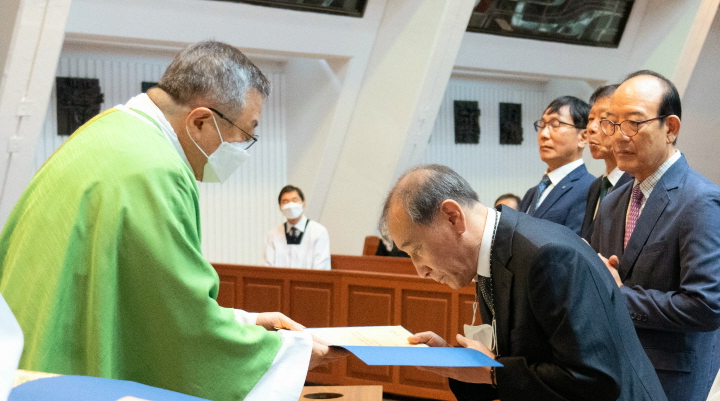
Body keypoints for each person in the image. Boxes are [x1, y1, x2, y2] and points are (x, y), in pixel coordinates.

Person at [0, 41, 342, 401]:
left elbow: (143, 300)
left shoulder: (101, 134)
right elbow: (181, 322)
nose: (241, 148)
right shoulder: (156, 171)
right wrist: (289, 353)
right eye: (244, 135)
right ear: (200, 122)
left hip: (31, 367)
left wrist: (248, 322)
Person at [379, 164, 666, 401]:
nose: (420, 270)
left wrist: (492, 372)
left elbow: (595, 379)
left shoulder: (548, 256)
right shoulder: (495, 252)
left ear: (453, 217)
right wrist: (455, 362)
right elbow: (526, 357)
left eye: (417, 250)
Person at [591, 70, 720, 401]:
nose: (619, 136)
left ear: (670, 128)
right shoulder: (613, 202)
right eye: (611, 123)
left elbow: (706, 306)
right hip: (614, 374)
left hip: (672, 381)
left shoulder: (700, 200)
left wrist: (619, 296)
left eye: (633, 123)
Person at [518, 96, 595, 234]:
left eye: (555, 125)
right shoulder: (532, 193)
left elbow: (573, 244)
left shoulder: (590, 189)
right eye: (542, 125)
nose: (544, 134)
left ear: (583, 137)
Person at [580, 84, 632, 240]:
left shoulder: (635, 185)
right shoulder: (596, 186)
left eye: (604, 119)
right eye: (590, 119)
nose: (591, 128)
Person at [264, 185, 331, 269]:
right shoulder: (273, 234)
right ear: (280, 207)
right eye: (285, 201)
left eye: (294, 200)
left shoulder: (318, 232)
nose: (290, 205)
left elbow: (321, 267)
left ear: (303, 204)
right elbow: (268, 268)